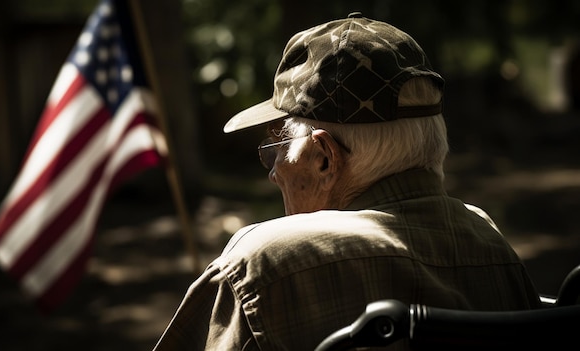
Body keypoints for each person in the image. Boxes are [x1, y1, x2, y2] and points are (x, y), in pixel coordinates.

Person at [152, 13, 541, 350]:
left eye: (279, 149)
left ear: (325, 159)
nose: (273, 173)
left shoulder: (262, 266)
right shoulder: (493, 247)